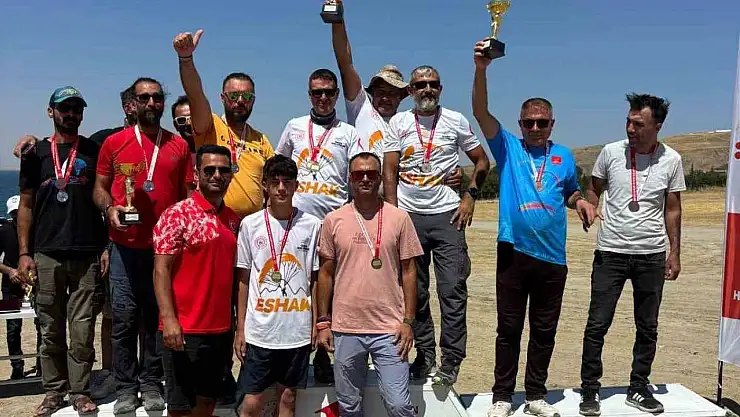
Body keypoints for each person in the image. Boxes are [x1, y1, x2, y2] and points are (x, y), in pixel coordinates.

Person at [471, 41, 597, 417]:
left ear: (552, 124)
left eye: (543, 122)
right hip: (514, 251)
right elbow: (480, 112)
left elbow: (571, 191)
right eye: (529, 123)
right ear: (520, 125)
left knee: (544, 331)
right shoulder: (508, 147)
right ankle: (501, 396)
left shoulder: (564, 156)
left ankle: (536, 395)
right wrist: (481, 69)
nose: (536, 128)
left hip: (553, 257)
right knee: (508, 329)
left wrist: (581, 203)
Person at [383, 65, 490, 385]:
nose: (426, 89)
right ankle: (425, 354)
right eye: (420, 85)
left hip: (447, 216)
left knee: (452, 289)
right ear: (410, 91)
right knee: (415, 292)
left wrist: (470, 196)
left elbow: (481, 161)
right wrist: (393, 213)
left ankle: (452, 359)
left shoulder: (455, 120)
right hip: (409, 217)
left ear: (440, 89)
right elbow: (390, 171)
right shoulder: (399, 123)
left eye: (432, 84)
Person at [578, 93, 685, 416]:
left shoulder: (672, 159)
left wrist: (674, 252)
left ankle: (638, 387)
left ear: (657, 126)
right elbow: (594, 188)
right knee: (597, 324)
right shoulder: (611, 152)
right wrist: (590, 205)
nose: (630, 129)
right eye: (628, 121)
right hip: (610, 252)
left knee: (647, 326)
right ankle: (589, 390)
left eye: (638, 124)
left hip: (650, 254)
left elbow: (673, 208)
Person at [93, 77, 194, 415]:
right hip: (123, 248)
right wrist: (110, 209)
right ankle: (125, 387)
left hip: (163, 252)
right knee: (123, 321)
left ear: (163, 103)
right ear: (132, 104)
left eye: (157, 97)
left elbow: (186, 197)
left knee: (155, 319)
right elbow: (100, 188)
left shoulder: (178, 146)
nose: (151, 103)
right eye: (144, 97)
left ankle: (151, 383)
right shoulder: (114, 143)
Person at [17, 86, 109, 416]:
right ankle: (54, 391)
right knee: (50, 330)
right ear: (50, 112)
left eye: (76, 109)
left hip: (87, 253)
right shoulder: (35, 153)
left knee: (82, 332)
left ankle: (80, 391)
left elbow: (105, 197)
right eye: (64, 108)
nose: (70, 114)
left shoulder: (95, 150)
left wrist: (106, 247)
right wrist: (24, 253)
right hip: (46, 253)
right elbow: (26, 205)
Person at [316, 152, 422, 417]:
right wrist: (323, 322)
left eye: (371, 174)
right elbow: (325, 274)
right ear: (350, 179)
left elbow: (410, 271)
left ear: (380, 178)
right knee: (349, 406)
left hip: (389, 329)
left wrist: (408, 321)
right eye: (358, 174)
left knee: (398, 404)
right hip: (346, 327)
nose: (365, 178)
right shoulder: (333, 220)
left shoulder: (399, 218)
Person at [274, 67, 363, 382]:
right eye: (316, 92)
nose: (323, 97)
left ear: (336, 95)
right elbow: (278, 165)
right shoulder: (294, 126)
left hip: (334, 223)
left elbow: (357, 175)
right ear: (309, 95)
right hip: (297, 223)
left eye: (328, 92)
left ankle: (327, 353)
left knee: (333, 289)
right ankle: (295, 352)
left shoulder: (349, 133)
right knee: (299, 286)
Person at [328, 0, 463, 186]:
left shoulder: (408, 123)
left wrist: (455, 170)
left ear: (402, 96)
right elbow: (345, 63)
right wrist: (338, 21)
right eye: (380, 92)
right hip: (362, 196)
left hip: (399, 198)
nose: (385, 97)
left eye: (391, 93)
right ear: (371, 93)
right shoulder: (361, 109)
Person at [152, 145, 240, 417]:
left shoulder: (233, 219)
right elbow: (161, 270)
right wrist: (169, 320)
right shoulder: (177, 214)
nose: (217, 175)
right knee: (180, 409)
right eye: (209, 170)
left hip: (220, 331)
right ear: (196, 173)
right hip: (183, 329)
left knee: (207, 403)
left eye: (223, 170)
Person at [233, 155, 322, 417]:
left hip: (296, 330)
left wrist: (315, 322)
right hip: (261, 331)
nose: (281, 188)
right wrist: (241, 329)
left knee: (288, 399)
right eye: (275, 182)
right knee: (251, 404)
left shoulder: (312, 225)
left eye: (287, 182)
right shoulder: (250, 224)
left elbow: (314, 278)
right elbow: (243, 279)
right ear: (265, 186)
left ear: (296, 186)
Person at [174, 29, 275, 219]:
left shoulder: (261, 139)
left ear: (253, 100)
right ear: (222, 98)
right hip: (212, 221)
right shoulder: (210, 125)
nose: (240, 101)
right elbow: (195, 94)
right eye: (233, 96)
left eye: (246, 96)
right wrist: (186, 59)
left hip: (250, 228)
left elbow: (274, 182)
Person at [1, 195, 38, 380]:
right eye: (15, 214)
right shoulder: (4, 231)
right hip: (11, 285)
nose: (19, 217)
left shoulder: (37, 230)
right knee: (13, 328)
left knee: (43, 325)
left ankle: (43, 364)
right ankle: (17, 366)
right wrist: (9, 271)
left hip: (35, 282)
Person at [171, 95, 197, 166]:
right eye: (182, 120)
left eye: (192, 118)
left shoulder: (217, 148)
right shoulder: (170, 155)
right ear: (175, 125)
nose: (188, 123)